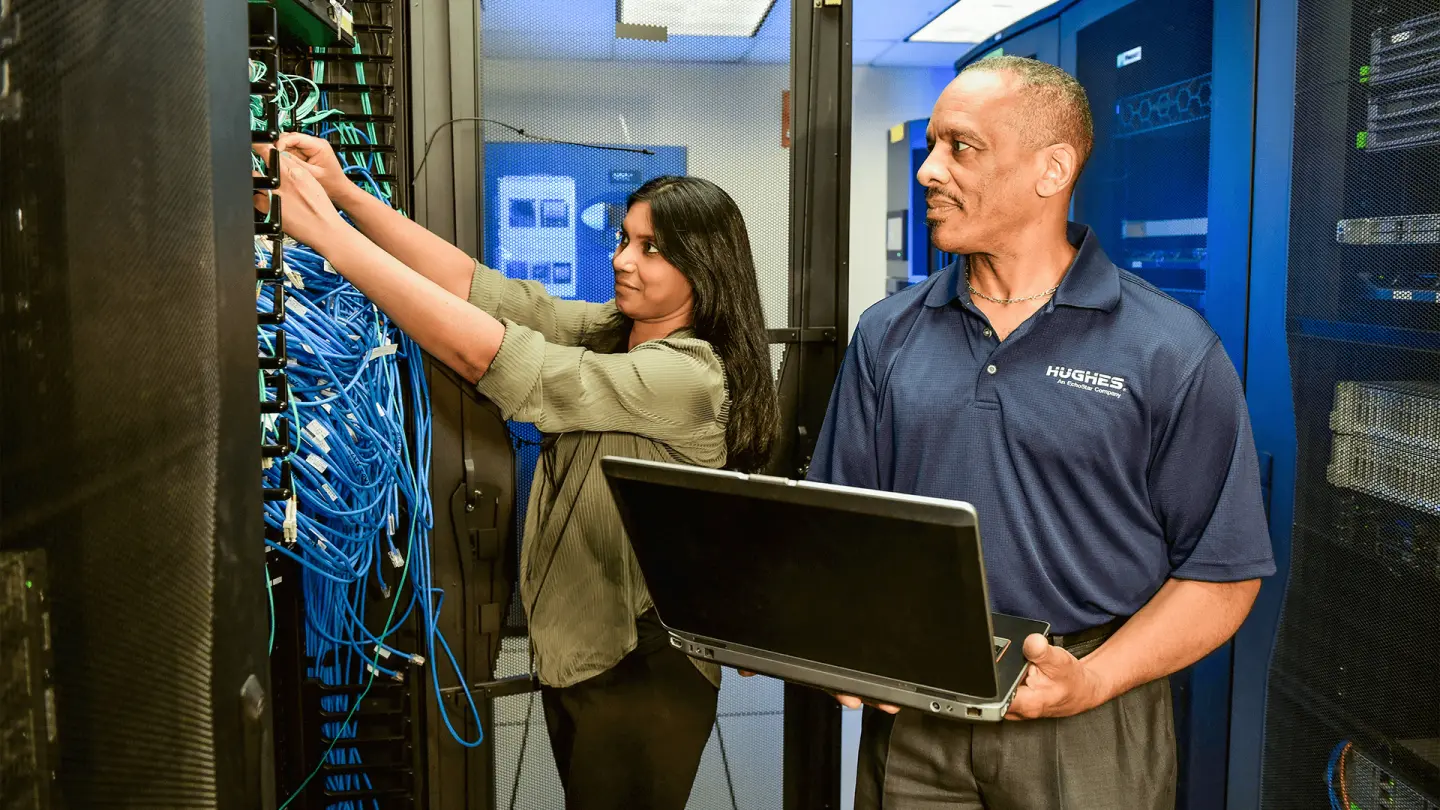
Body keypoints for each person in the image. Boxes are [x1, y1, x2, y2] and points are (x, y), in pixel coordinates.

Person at [809, 56, 1276, 809]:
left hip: (1088, 706)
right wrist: (844, 638)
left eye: (960, 147)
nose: (929, 171)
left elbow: (1223, 575)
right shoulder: (887, 333)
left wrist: (1090, 680)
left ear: (1051, 168)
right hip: (920, 708)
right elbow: (836, 526)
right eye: (932, 146)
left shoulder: (1169, 349)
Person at [263, 134, 780, 809]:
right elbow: (488, 294)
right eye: (624, 239)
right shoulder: (617, 329)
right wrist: (344, 195)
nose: (623, 260)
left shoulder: (689, 376)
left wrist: (328, 235)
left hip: (644, 664)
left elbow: (507, 364)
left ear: (705, 267)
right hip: (585, 651)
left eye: (651, 249)